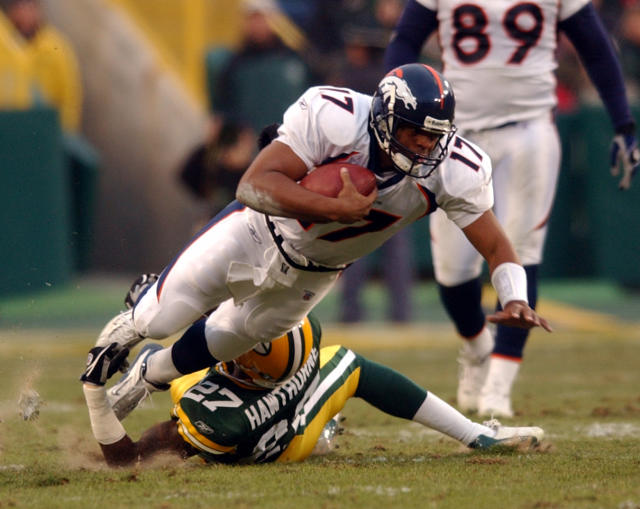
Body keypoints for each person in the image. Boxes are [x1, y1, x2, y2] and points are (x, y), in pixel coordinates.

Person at [85, 63, 551, 421]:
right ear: (387, 119)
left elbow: (495, 245)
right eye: (414, 134)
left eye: (434, 137)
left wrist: (514, 296)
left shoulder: (454, 169)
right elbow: (251, 184)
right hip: (254, 232)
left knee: (226, 340)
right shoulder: (335, 116)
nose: (425, 148)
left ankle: (149, 374)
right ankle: (141, 309)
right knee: (160, 316)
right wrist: (331, 208)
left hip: (312, 276)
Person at [384, 0, 640, 417]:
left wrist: (623, 123)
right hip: (455, 134)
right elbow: (405, 41)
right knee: (452, 271)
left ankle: (499, 386)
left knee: (522, 251)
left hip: (530, 128)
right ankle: (474, 347)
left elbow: (594, 45)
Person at [81, 305, 544, 467]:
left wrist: (95, 398)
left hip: (285, 436)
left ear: (243, 368)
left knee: (174, 372)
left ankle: (323, 435)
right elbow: (225, 318)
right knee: (350, 364)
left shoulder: (214, 414)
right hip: (284, 381)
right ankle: (475, 434)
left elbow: (128, 462)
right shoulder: (299, 338)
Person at [0, 0, 82, 132]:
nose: (26, 15)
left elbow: (69, 99)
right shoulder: (3, 42)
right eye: (20, 7)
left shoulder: (56, 49)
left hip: (42, 131)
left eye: (31, 7)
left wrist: (62, 133)